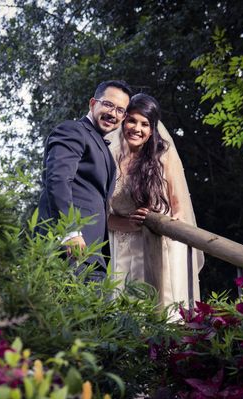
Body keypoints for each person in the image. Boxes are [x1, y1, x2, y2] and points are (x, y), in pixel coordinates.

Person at [105, 93, 204, 309]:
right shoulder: (108, 158)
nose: (136, 128)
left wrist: (164, 222)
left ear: (152, 129)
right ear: (123, 120)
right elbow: (103, 218)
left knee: (167, 306)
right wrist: (130, 223)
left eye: (144, 124)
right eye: (131, 120)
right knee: (133, 309)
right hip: (127, 247)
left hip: (165, 243)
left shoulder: (163, 154)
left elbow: (179, 206)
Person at [36, 80, 132, 280]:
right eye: (108, 105)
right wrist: (70, 231)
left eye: (120, 110)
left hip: (92, 254)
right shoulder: (73, 130)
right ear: (92, 103)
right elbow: (58, 180)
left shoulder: (101, 145)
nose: (113, 114)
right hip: (68, 248)